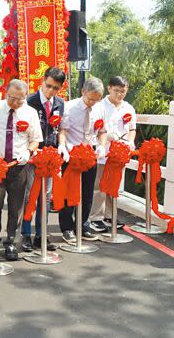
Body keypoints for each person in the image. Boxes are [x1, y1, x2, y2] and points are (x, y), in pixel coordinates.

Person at [0, 79, 42, 260]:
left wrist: (28, 151)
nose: (15, 102)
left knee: (16, 207)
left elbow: (35, 139)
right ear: (5, 92)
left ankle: (10, 241)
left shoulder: (30, 113)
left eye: (20, 99)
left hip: (19, 166)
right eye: (12, 98)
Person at [20, 67, 66, 252]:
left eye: (55, 88)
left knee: (46, 198)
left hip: (51, 157)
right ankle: (25, 234)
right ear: (42, 81)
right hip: (32, 156)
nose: (50, 91)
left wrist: (61, 145)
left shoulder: (60, 104)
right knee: (30, 195)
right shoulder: (29, 101)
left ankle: (41, 234)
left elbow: (62, 127)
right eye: (48, 86)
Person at [57, 77, 108, 244]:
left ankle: (84, 224)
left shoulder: (100, 108)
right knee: (69, 192)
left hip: (90, 153)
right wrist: (63, 146)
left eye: (97, 99)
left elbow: (102, 131)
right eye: (90, 98)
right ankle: (67, 228)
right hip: (71, 153)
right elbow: (62, 130)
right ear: (83, 92)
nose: (93, 102)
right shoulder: (69, 107)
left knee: (87, 191)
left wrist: (101, 146)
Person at [89, 76, 136, 232]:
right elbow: (94, 128)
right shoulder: (99, 106)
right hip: (103, 151)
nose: (120, 94)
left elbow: (132, 129)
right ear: (109, 88)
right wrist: (106, 137)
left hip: (119, 153)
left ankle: (110, 215)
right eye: (116, 91)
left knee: (113, 185)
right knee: (99, 186)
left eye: (123, 91)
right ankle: (95, 217)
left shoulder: (128, 108)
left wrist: (130, 141)